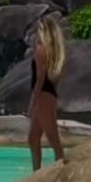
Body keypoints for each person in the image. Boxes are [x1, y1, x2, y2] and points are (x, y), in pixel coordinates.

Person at [27, 15, 66, 171]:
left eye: (38, 29)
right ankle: (36, 174)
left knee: (53, 139)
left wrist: (34, 99)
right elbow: (54, 79)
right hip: (50, 94)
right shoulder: (54, 52)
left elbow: (40, 77)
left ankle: (61, 170)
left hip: (43, 95)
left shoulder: (40, 49)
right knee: (33, 137)